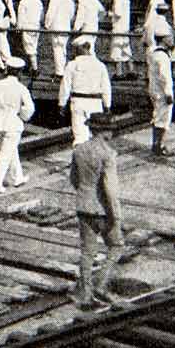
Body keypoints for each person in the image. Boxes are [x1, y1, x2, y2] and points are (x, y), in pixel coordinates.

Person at [68, 113, 124, 310]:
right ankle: (100, 283)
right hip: (102, 208)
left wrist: (85, 194)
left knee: (87, 251)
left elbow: (74, 179)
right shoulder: (108, 154)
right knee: (116, 246)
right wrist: (114, 213)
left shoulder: (79, 150)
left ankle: (85, 292)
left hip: (83, 205)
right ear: (105, 131)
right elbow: (110, 188)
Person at [0, 57, 36, 193]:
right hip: (13, 123)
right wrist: (22, 116)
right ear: (19, 72)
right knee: (5, 155)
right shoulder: (21, 88)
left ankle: (17, 177)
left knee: (11, 151)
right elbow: (30, 108)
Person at [59, 36, 113, 145]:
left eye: (77, 48)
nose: (74, 51)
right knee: (96, 135)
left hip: (78, 102)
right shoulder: (100, 65)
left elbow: (65, 86)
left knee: (79, 136)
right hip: (96, 103)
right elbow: (106, 87)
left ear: (85, 47)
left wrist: (62, 103)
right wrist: (107, 105)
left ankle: (81, 160)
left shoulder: (72, 65)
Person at [147, 33, 175, 157]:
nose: (172, 40)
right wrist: (169, 93)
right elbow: (165, 77)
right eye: (170, 38)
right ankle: (161, 145)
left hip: (154, 90)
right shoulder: (163, 57)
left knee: (157, 116)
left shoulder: (153, 54)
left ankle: (155, 143)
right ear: (164, 39)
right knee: (164, 119)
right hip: (162, 92)